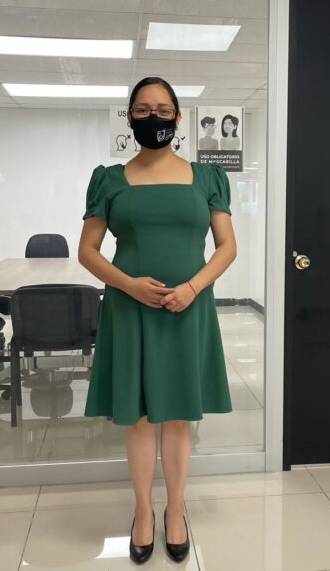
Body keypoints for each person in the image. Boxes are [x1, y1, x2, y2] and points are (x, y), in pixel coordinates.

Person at [78, 76, 237, 565]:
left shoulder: (207, 177)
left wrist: (192, 287)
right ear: (129, 117)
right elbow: (88, 251)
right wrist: (130, 285)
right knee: (141, 417)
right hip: (131, 310)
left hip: (188, 309)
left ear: (178, 117)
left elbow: (227, 247)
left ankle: (176, 510)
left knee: (179, 416)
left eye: (164, 110)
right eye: (144, 110)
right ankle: (144, 511)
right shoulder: (109, 179)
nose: (154, 118)